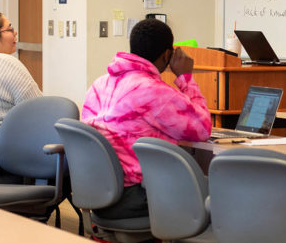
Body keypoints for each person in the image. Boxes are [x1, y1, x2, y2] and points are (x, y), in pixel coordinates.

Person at [81, 18, 211, 219]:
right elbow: (202, 129)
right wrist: (186, 78)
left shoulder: (99, 85)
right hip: (136, 196)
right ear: (167, 55)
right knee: (214, 193)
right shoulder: (153, 91)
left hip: (97, 191)